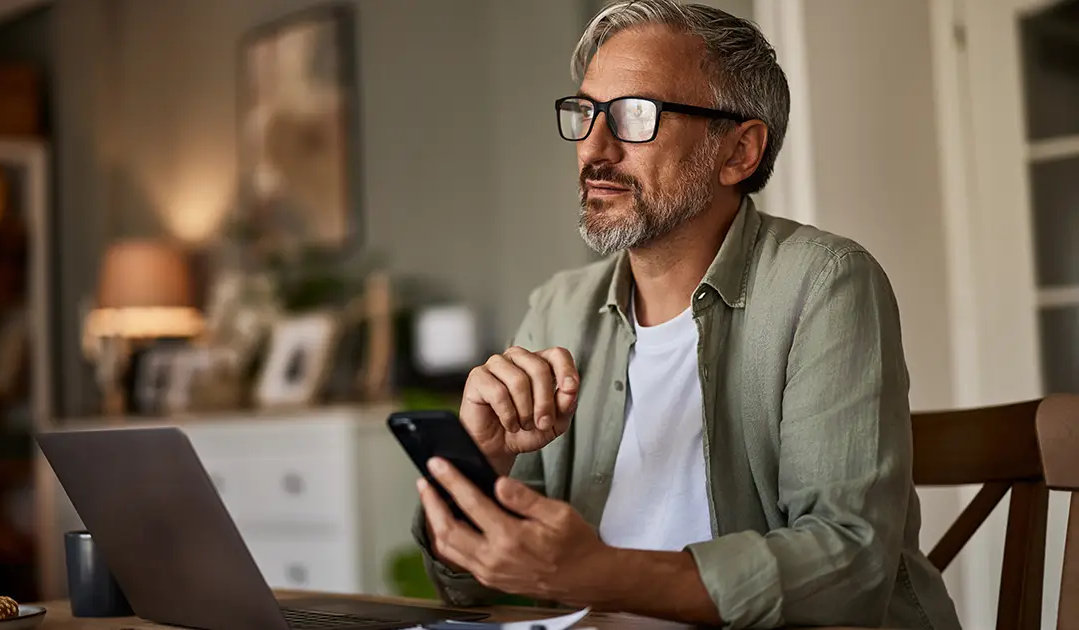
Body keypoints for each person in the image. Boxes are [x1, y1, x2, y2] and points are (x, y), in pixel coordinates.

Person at [410, 2, 963, 629]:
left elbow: (848, 563)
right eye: (586, 113)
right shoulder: (558, 307)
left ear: (739, 151)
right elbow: (467, 586)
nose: (594, 147)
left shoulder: (824, 282)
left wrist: (601, 574)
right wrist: (481, 468)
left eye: (634, 116)